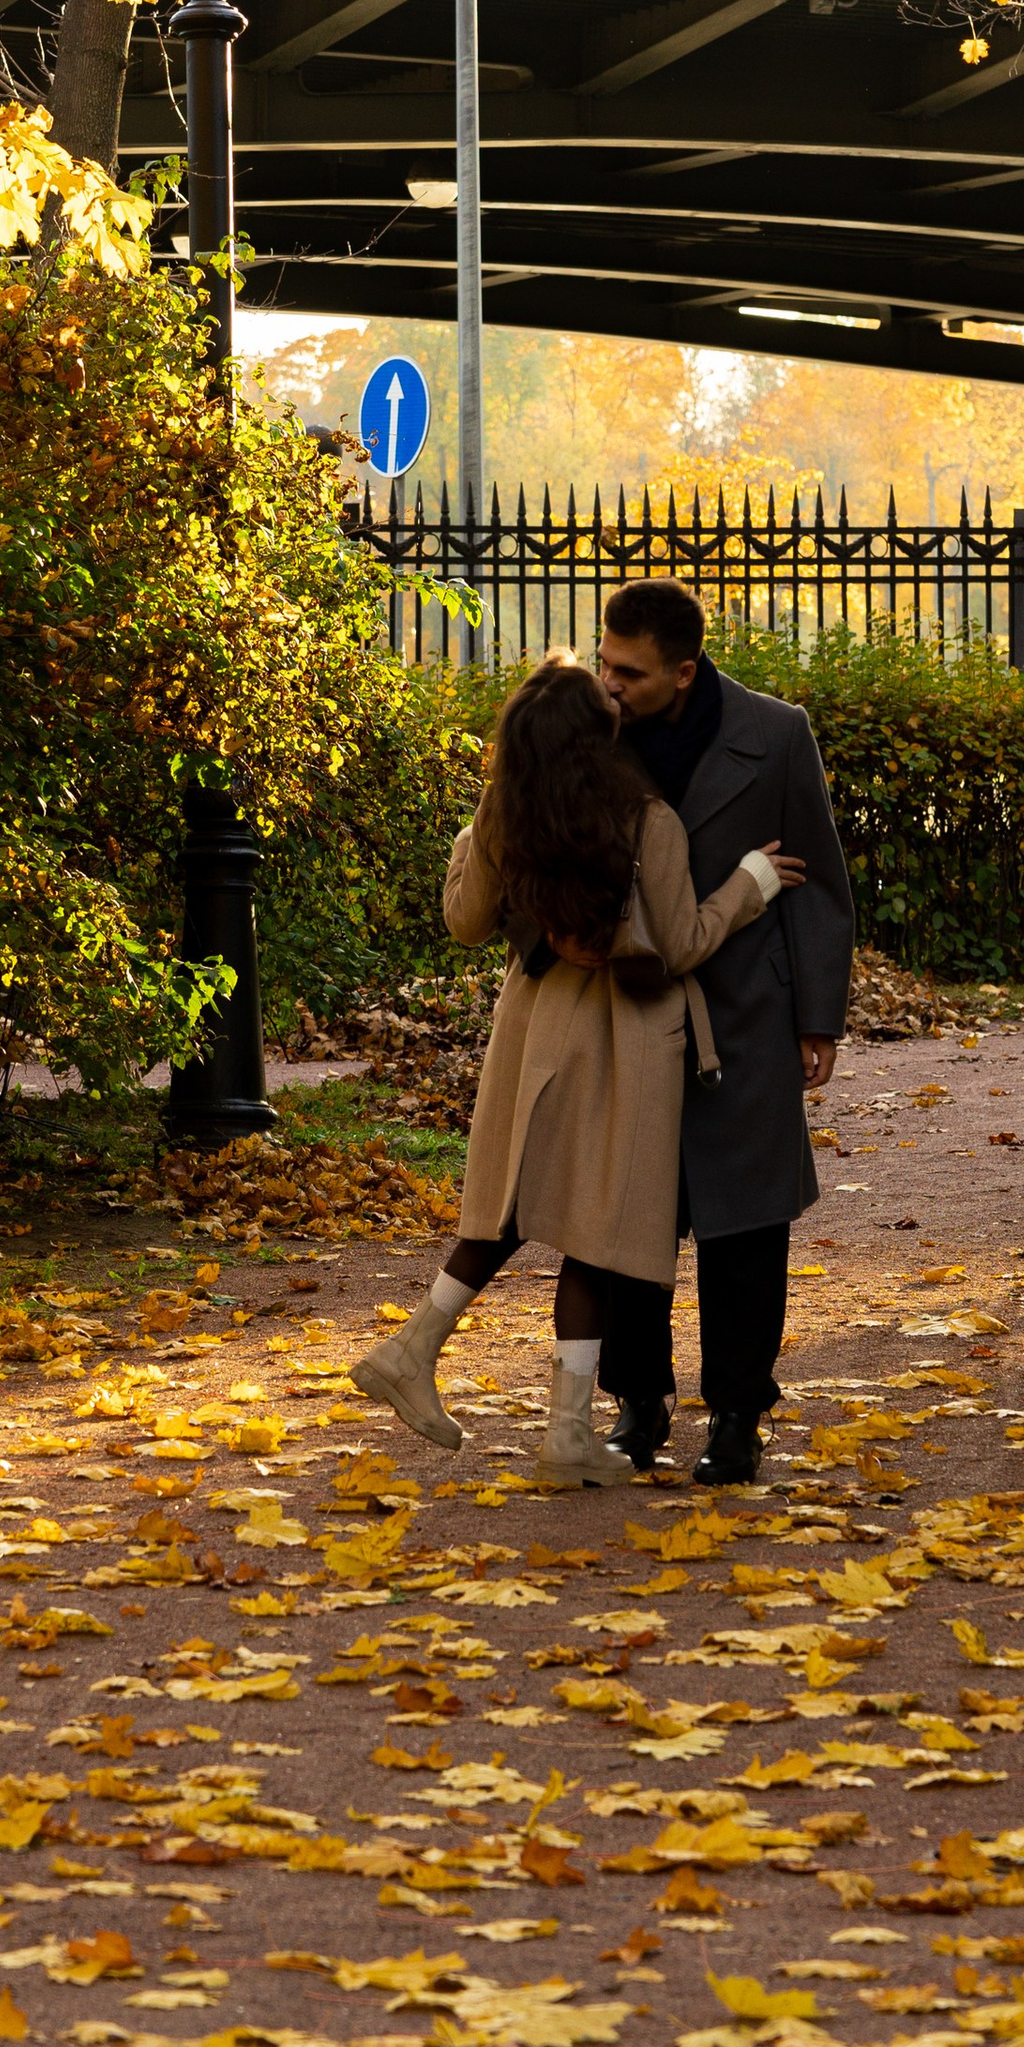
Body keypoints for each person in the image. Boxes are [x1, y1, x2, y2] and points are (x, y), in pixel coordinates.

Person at [353, 651, 803, 1487]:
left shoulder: (505, 812)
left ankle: (436, 1360)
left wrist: (475, 834)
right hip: (626, 1038)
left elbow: (464, 922)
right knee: (598, 1229)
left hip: (535, 1024)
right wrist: (749, 884)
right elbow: (679, 945)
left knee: (518, 1210)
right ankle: (554, 1427)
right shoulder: (646, 820)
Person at [593, 582, 855, 1485]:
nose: (609, 681)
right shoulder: (593, 730)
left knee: (746, 1222)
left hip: (745, 1007)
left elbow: (815, 875)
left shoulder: (776, 733)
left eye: (627, 669)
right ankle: (638, 1401)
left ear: (683, 669)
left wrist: (817, 1014)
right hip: (627, 1004)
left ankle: (739, 1414)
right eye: (602, 660)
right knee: (629, 1214)